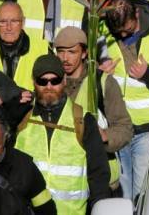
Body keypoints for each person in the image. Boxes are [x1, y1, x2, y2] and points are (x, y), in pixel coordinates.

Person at [99, 0, 149, 200]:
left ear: (136, 13)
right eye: (119, 32)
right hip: (117, 128)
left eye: (128, 28)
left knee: (142, 192)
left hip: (148, 129)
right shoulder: (101, 34)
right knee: (121, 193)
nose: (124, 34)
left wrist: (148, 75)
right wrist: (98, 72)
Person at [14, 54, 111, 215]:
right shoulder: (21, 118)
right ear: (33, 82)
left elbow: (99, 175)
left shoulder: (83, 120)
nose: (49, 86)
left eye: (55, 80)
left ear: (64, 80)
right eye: (42, 81)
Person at [55, 25, 131, 195]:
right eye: (60, 52)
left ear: (84, 53)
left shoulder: (103, 82)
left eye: (72, 52)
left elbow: (125, 129)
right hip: (67, 185)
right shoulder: (51, 83)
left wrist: (104, 136)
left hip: (101, 183)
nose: (65, 58)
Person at [0, 2, 50, 90]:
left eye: (14, 21)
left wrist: (31, 97)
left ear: (23, 22)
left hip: (30, 103)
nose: (9, 28)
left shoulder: (43, 50)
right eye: (3, 22)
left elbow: (53, 89)